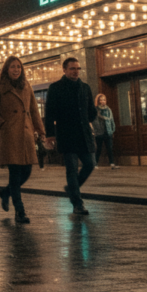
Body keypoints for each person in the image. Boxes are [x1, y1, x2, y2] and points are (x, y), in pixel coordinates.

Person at [0, 56, 46, 224]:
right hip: (9, 134)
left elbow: (34, 110)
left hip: (26, 133)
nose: (16, 70)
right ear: (6, 69)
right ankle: (19, 211)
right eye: (13, 67)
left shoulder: (26, 86)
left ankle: (5, 193)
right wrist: (2, 124)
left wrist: (41, 131)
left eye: (18, 67)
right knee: (15, 174)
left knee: (27, 171)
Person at [44, 57, 97, 216]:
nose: (76, 71)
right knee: (72, 170)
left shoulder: (85, 87)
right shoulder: (56, 88)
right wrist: (50, 135)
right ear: (64, 70)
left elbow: (91, 111)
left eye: (78, 68)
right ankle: (77, 204)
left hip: (83, 135)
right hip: (66, 134)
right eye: (72, 68)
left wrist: (91, 116)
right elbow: (49, 113)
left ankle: (72, 189)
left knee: (90, 164)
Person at [93, 93, 118, 169]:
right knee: (99, 149)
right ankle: (95, 164)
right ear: (98, 101)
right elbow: (95, 121)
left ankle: (112, 163)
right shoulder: (96, 110)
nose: (103, 101)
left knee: (109, 148)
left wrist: (112, 130)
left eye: (104, 100)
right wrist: (97, 131)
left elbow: (111, 120)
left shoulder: (108, 109)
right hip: (100, 132)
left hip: (108, 131)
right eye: (101, 100)